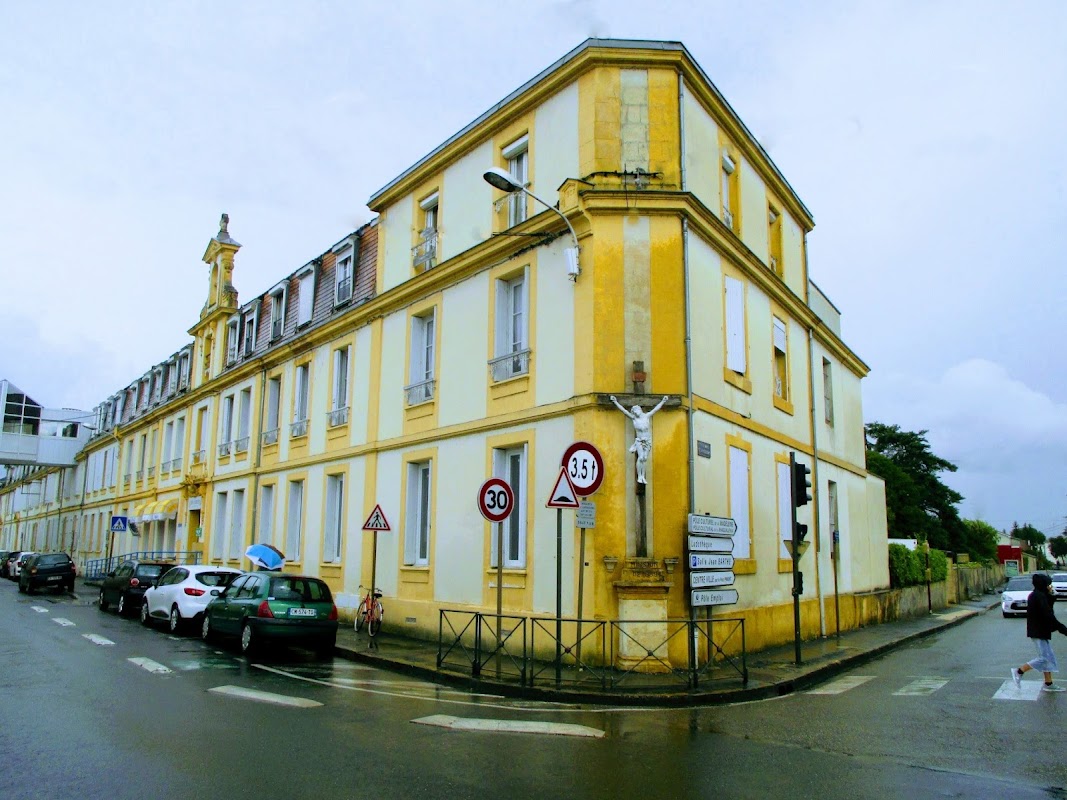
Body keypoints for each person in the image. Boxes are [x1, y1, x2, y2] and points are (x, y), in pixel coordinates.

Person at [1011, 572, 1067, 692]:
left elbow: (1048, 609)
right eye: (1048, 584)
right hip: (1038, 631)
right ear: (1044, 584)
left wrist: (1051, 596)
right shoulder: (1038, 596)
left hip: (1040, 631)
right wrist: (1063, 629)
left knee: (1048, 657)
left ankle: (1048, 683)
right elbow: (1048, 615)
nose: (1050, 586)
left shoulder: (1038, 595)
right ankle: (1019, 671)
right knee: (1044, 658)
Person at [609, 395, 668, 484]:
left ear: (640, 410)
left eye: (636, 410)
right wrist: (615, 401)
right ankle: (639, 476)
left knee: (644, 458)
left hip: (647, 441)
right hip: (639, 441)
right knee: (640, 458)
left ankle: (643, 476)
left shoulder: (646, 416)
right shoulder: (634, 418)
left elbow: (655, 409)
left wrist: (663, 401)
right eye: (634, 412)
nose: (636, 413)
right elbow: (623, 411)